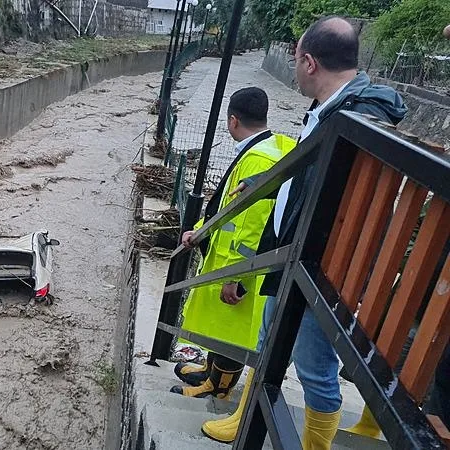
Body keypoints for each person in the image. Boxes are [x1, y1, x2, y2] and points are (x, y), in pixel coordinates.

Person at [200, 16, 407, 448]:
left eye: (297, 61)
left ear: (309, 62)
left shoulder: (359, 116)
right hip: (292, 251)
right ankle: (245, 418)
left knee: (314, 365)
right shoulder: (332, 109)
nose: (295, 70)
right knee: (269, 340)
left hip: (320, 265)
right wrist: (267, 183)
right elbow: (307, 173)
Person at [168, 87, 296, 400]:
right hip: (231, 261)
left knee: (231, 330)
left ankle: (218, 387)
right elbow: (227, 206)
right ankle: (210, 372)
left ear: (233, 120)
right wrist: (199, 230)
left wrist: (238, 277)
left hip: (237, 265)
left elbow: (253, 225)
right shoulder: (268, 148)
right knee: (223, 327)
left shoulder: (256, 160)